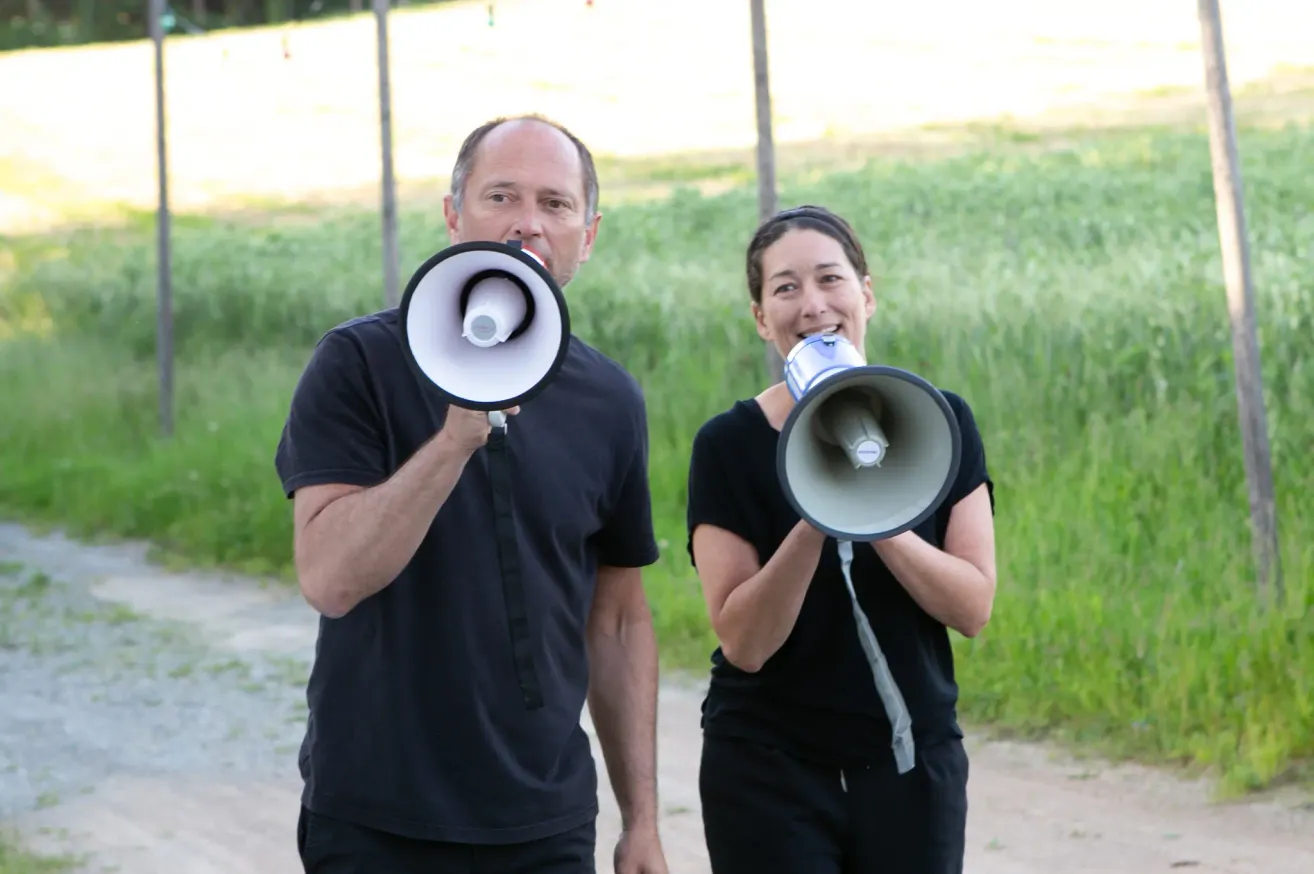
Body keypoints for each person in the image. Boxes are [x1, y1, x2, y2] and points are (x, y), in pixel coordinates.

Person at [274, 114, 669, 874]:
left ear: (588, 236)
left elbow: (617, 620)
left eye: (556, 204)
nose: (528, 224)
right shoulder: (358, 364)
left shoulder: (610, 398)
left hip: (543, 820)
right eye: (501, 197)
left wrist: (642, 820)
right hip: (378, 814)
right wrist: (456, 437)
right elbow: (328, 578)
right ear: (453, 215)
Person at [685, 204, 997, 874]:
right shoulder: (728, 447)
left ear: (866, 294)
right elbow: (745, 641)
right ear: (761, 319)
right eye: (786, 288)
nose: (813, 305)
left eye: (830, 279)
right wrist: (816, 505)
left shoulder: (942, 424)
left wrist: (877, 509)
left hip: (911, 762)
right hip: (767, 773)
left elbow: (971, 608)